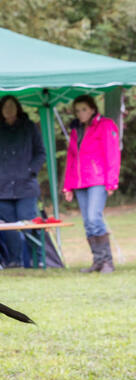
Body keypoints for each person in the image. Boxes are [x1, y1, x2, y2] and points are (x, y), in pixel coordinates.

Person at [0, 95, 46, 267]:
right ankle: (14, 260)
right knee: (8, 227)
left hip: (26, 186)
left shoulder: (29, 127)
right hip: (1, 187)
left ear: (18, 108)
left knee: (28, 222)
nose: (8, 109)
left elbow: (40, 153)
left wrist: (31, 170)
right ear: (0, 110)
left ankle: (37, 259)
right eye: (5, 106)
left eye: (12, 106)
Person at [63, 94, 119, 274]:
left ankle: (107, 261)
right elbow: (71, 159)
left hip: (98, 179)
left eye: (84, 109)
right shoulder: (76, 129)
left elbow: (112, 154)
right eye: (78, 110)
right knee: (88, 222)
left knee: (95, 218)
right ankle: (98, 261)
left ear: (93, 109)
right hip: (79, 183)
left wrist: (112, 181)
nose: (81, 113)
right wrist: (68, 185)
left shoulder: (105, 125)